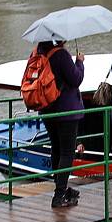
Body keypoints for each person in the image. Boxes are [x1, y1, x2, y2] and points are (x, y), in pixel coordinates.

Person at [37, 39, 84, 208]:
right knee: (66, 153)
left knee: (56, 149)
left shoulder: (40, 52)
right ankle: (59, 196)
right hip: (66, 111)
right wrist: (79, 62)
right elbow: (76, 79)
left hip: (47, 109)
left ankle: (61, 188)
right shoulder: (61, 55)